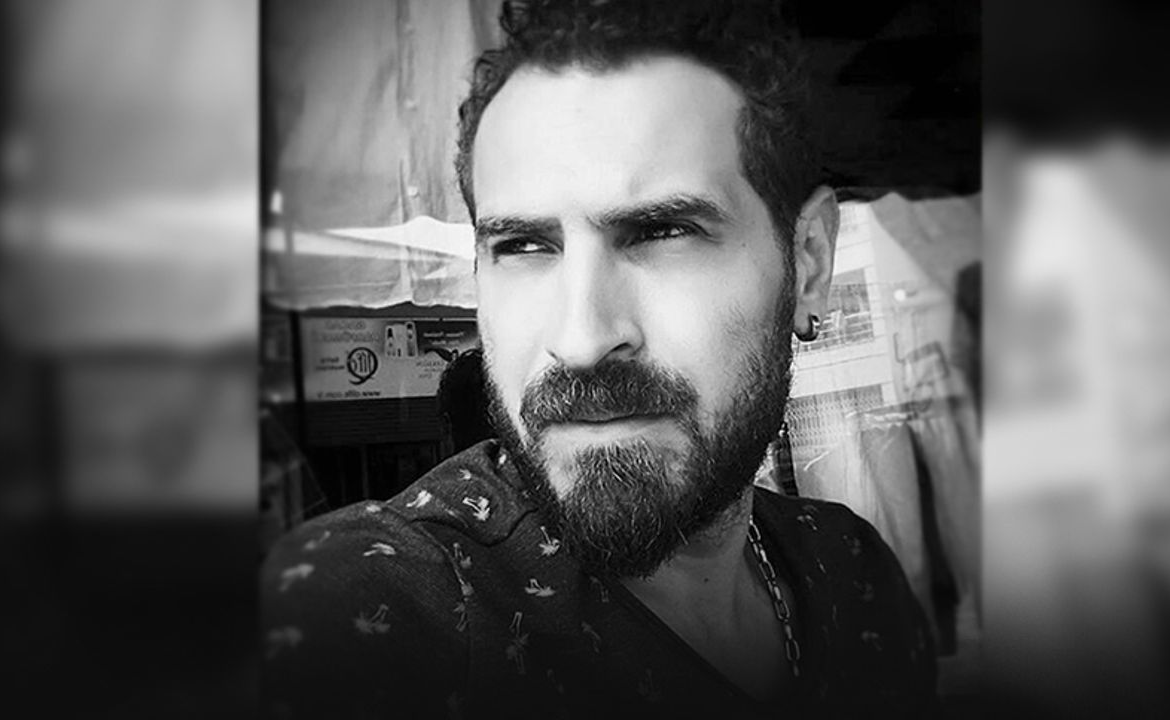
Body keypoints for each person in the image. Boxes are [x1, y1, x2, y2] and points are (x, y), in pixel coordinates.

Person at [262, 1, 936, 717]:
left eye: (662, 230)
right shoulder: (367, 614)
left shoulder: (854, 576)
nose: (581, 339)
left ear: (809, 261)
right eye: (523, 246)